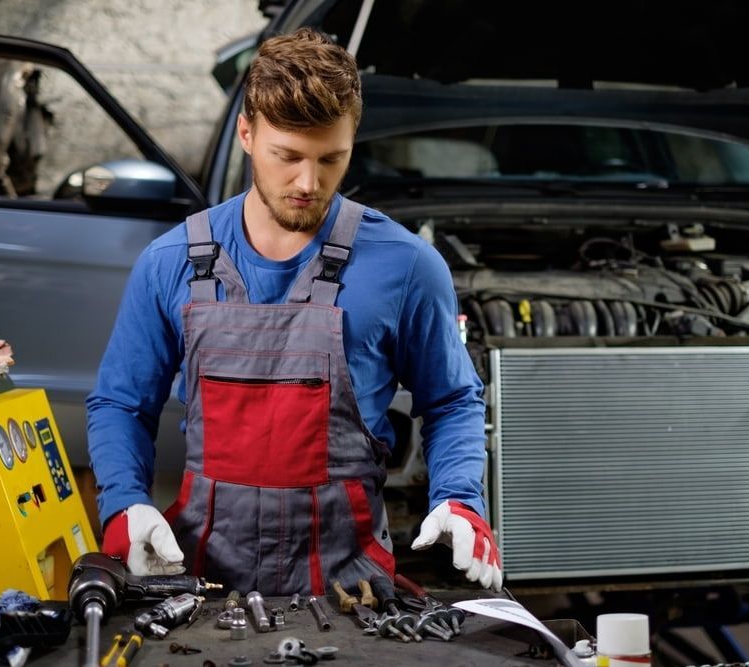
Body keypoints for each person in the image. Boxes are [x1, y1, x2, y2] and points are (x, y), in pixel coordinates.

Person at [85, 27, 502, 594]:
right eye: (288, 156)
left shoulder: (406, 266)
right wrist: (124, 504)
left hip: (353, 591)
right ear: (247, 133)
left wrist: (459, 498)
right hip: (199, 588)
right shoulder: (170, 262)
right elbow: (120, 403)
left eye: (332, 158)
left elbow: (453, 399)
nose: (309, 182)